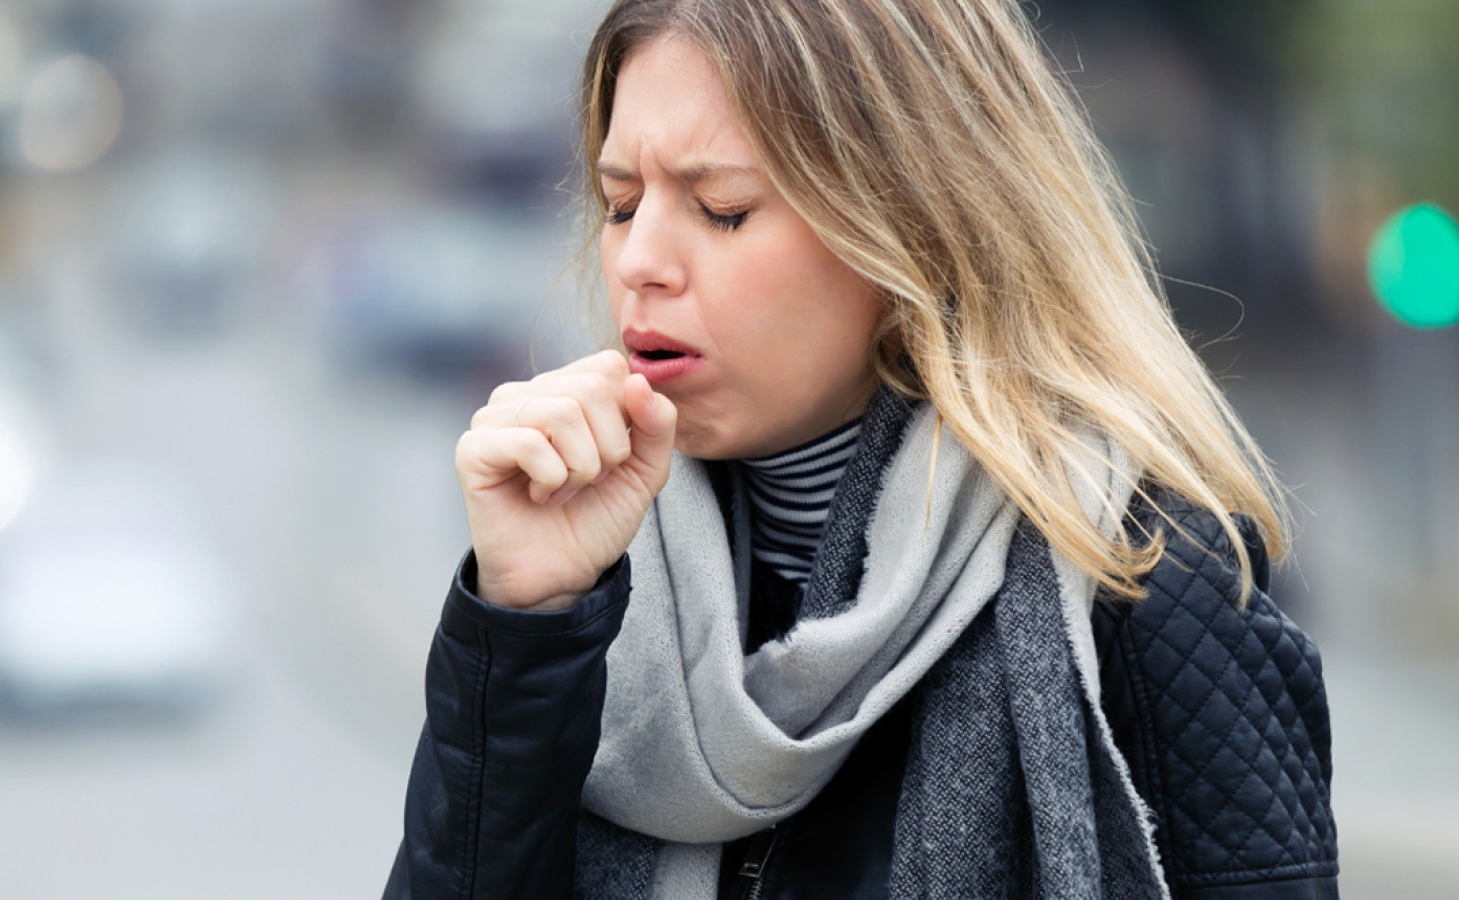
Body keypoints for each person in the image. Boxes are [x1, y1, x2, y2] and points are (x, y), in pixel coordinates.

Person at [384, 0, 1337, 897]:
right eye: (622, 203)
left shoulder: (1144, 580)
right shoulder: (590, 575)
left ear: (909, 229)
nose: (639, 261)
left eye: (721, 208)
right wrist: (524, 621)